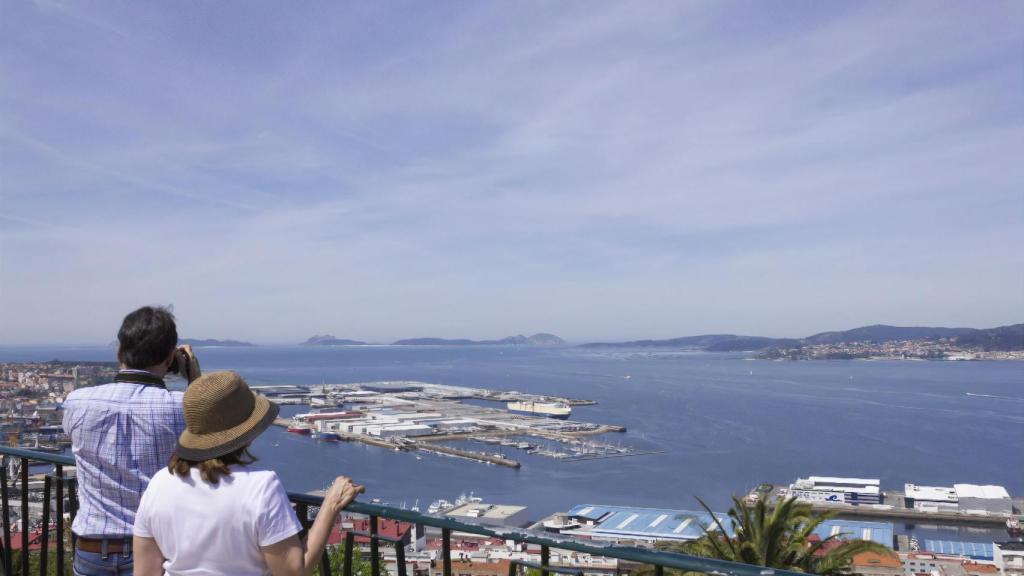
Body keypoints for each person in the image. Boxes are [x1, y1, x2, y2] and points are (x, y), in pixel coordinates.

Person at [133, 371, 364, 576]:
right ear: (247, 431)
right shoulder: (261, 486)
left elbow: (144, 571)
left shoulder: (160, 483)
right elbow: (295, 570)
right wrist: (331, 505)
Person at [62, 306, 201, 576]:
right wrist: (193, 377)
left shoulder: (76, 403)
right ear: (171, 357)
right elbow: (217, 434)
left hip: (91, 548)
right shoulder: (180, 407)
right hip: (154, 552)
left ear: (119, 352)